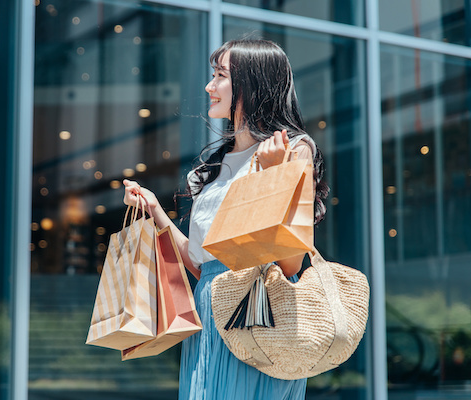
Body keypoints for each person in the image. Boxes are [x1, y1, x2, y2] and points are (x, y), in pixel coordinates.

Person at [123, 38, 328, 400]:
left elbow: (290, 261)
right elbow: (205, 264)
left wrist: (270, 178)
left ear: (252, 84)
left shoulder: (293, 149)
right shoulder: (211, 168)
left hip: (260, 318)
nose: (209, 86)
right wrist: (154, 211)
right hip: (210, 316)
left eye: (220, 76)